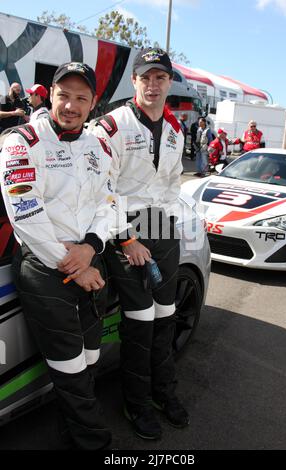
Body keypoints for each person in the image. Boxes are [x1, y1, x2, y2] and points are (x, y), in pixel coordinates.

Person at [0, 62, 127, 450]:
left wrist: (91, 247)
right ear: (51, 95)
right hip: (44, 267)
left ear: (93, 104)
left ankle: (69, 434)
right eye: (63, 96)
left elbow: (109, 202)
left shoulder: (99, 145)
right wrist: (73, 263)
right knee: (71, 368)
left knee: (89, 360)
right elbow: (25, 213)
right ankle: (95, 443)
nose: (70, 105)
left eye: (80, 98)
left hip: (89, 261)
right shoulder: (21, 140)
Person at [89, 47, 189, 440]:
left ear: (169, 82)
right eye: (145, 77)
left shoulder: (177, 130)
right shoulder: (111, 126)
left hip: (162, 227)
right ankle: (137, 404)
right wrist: (128, 238)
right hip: (123, 229)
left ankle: (164, 392)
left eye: (160, 77)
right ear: (134, 81)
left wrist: (169, 225)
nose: (152, 84)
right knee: (141, 320)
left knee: (167, 316)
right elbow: (101, 190)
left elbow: (171, 184)